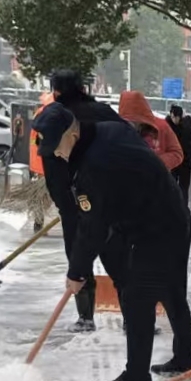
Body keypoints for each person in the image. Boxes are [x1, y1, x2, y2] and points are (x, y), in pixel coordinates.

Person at [32, 100, 191, 381]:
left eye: (56, 147)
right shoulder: (107, 131)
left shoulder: (93, 167)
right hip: (174, 218)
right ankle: (185, 357)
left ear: (71, 136)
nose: (56, 154)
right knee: (171, 290)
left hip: (157, 229)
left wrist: (77, 272)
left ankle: (136, 376)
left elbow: (93, 227)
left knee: (136, 297)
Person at [44, 71, 124, 332]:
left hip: (74, 200)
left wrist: (64, 205)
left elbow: (51, 167)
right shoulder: (105, 112)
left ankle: (86, 317)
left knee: (79, 260)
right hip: (114, 202)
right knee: (121, 261)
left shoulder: (56, 118)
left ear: (56, 91)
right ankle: (133, 315)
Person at [119, 91, 185, 178]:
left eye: (135, 121)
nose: (133, 125)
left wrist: (155, 163)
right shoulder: (117, 130)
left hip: (156, 183)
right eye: (128, 121)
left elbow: (177, 153)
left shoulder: (162, 127)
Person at [167, 105, 191, 207]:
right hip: (172, 162)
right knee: (171, 186)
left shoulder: (188, 127)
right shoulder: (167, 126)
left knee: (184, 187)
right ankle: (171, 206)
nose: (174, 119)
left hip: (185, 162)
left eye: (175, 117)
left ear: (180, 116)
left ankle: (183, 208)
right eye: (172, 116)